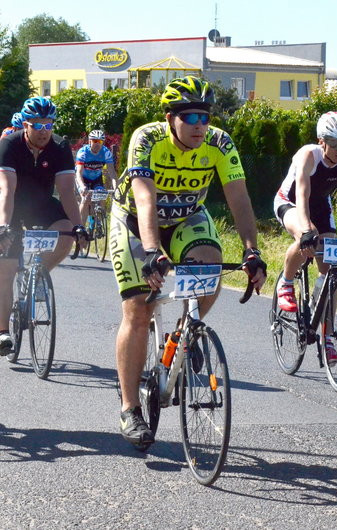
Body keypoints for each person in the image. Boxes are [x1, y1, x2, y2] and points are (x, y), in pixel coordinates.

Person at [110, 75, 267, 449]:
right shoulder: (147, 139)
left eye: (205, 117)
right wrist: (152, 252)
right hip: (135, 220)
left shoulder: (219, 143)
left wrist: (252, 250)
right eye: (190, 117)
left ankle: (183, 332)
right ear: (170, 118)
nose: (199, 125)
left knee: (210, 267)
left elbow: (239, 199)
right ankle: (130, 408)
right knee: (138, 308)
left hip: (186, 217)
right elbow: (145, 199)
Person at [0, 96, 86, 355]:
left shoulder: (60, 147)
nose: (44, 131)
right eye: (38, 125)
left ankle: (38, 274)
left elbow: (66, 192)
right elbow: (7, 190)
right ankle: (3, 333)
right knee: (5, 270)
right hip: (6, 205)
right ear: (25, 125)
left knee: (66, 230)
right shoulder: (9, 144)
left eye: (48, 125)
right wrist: (4, 227)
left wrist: (78, 227)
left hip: (39, 204)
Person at [273, 111, 337, 364]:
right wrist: (305, 231)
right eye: (335, 144)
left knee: (331, 271)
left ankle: (327, 337)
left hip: (322, 206)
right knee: (308, 236)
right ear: (321, 141)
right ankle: (286, 282)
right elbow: (302, 195)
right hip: (291, 202)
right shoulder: (308, 155)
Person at [75, 129, 117, 226]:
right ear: (89, 141)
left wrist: (116, 188)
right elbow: (79, 173)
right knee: (85, 199)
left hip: (96, 179)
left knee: (102, 196)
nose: (97, 144)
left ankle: (98, 223)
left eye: (100, 141)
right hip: (83, 178)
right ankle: (80, 227)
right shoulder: (83, 152)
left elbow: (112, 173)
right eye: (95, 141)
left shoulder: (106, 152)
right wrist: (82, 186)